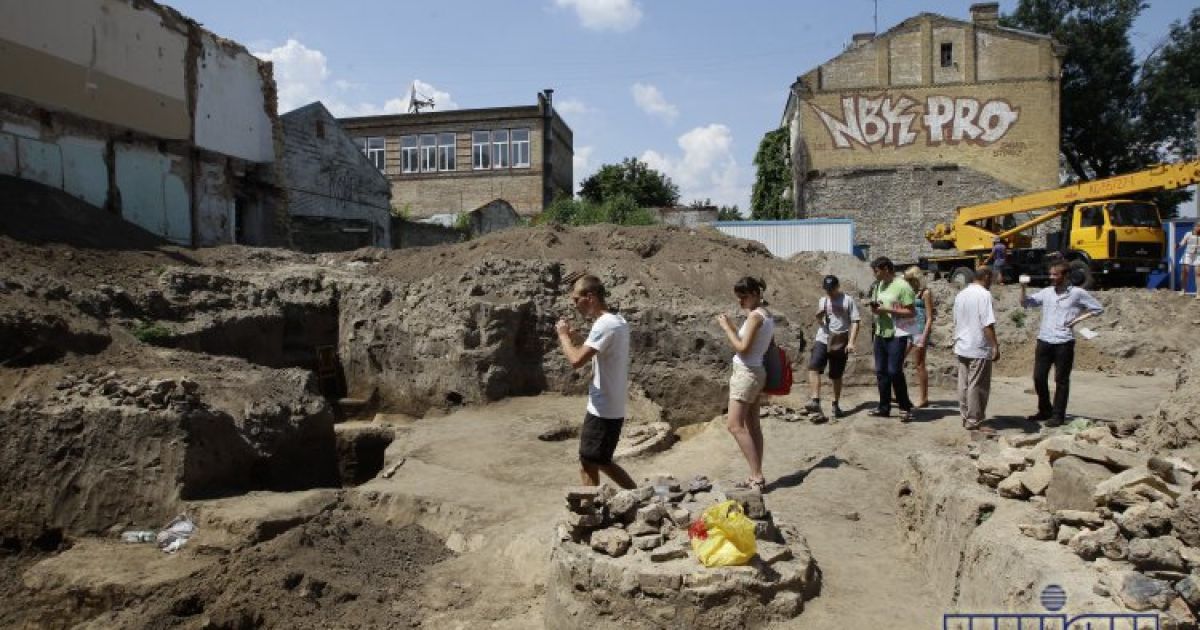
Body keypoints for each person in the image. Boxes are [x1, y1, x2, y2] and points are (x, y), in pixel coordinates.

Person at [555, 275, 637, 488]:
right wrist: (578, 338)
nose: (575, 305)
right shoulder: (617, 321)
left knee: (589, 461)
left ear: (590, 297)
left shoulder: (604, 325)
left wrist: (563, 336)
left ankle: (591, 509)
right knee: (599, 460)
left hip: (603, 408)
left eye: (576, 299)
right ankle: (635, 496)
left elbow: (575, 360)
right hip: (611, 405)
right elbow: (600, 350)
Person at [1020, 260, 1105, 427]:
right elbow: (1026, 303)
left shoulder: (1077, 293)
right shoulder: (1047, 292)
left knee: (1061, 380)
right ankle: (1045, 409)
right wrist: (1023, 287)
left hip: (1064, 342)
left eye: (1055, 274)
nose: (1052, 277)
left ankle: (1058, 415)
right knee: (1038, 377)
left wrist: (1077, 319)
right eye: (1051, 274)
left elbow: (1098, 308)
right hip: (1044, 340)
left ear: (1065, 275)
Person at [716, 276, 775, 491]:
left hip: (747, 373)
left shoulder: (755, 318)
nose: (740, 302)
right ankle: (755, 475)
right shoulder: (766, 315)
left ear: (755, 295)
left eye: (743, 298)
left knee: (734, 425)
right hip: (756, 372)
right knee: (752, 426)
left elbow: (742, 347)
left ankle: (757, 475)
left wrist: (726, 328)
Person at [867, 257, 917, 422]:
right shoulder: (879, 285)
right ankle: (884, 407)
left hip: (897, 333)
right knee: (881, 372)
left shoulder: (903, 286)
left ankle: (905, 407)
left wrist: (886, 309)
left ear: (886, 269)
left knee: (894, 371)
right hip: (881, 333)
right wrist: (877, 310)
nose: (874, 274)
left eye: (876, 270)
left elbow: (911, 312)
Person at [805, 275, 860, 420]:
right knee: (814, 367)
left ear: (837, 287)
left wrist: (851, 342)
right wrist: (818, 316)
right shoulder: (823, 301)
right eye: (826, 289)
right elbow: (820, 321)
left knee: (836, 375)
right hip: (823, 337)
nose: (829, 292)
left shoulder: (848, 300)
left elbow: (855, 321)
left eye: (831, 289)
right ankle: (815, 400)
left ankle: (835, 404)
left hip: (840, 340)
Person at [953, 267, 1000, 431]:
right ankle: (975, 419)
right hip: (977, 345)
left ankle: (966, 417)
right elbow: (987, 323)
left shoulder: (961, 294)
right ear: (986, 276)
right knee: (977, 385)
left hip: (962, 343)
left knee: (964, 384)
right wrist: (994, 345)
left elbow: (956, 320)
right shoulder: (983, 295)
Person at [904, 266, 935, 408]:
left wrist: (924, 337)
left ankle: (924, 398)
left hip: (920, 331)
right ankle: (898, 394)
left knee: (919, 364)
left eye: (910, 279)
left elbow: (929, 317)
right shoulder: (910, 292)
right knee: (898, 361)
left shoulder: (925, 293)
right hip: (909, 330)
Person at [1180, 224, 1200, 299]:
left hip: (1198, 255)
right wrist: (1178, 246)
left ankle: (1198, 293)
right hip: (1188, 254)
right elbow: (1183, 242)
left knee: (1198, 273)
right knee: (1185, 271)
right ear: (1194, 227)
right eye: (1197, 226)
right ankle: (1183, 290)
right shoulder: (1188, 234)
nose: (1198, 227)